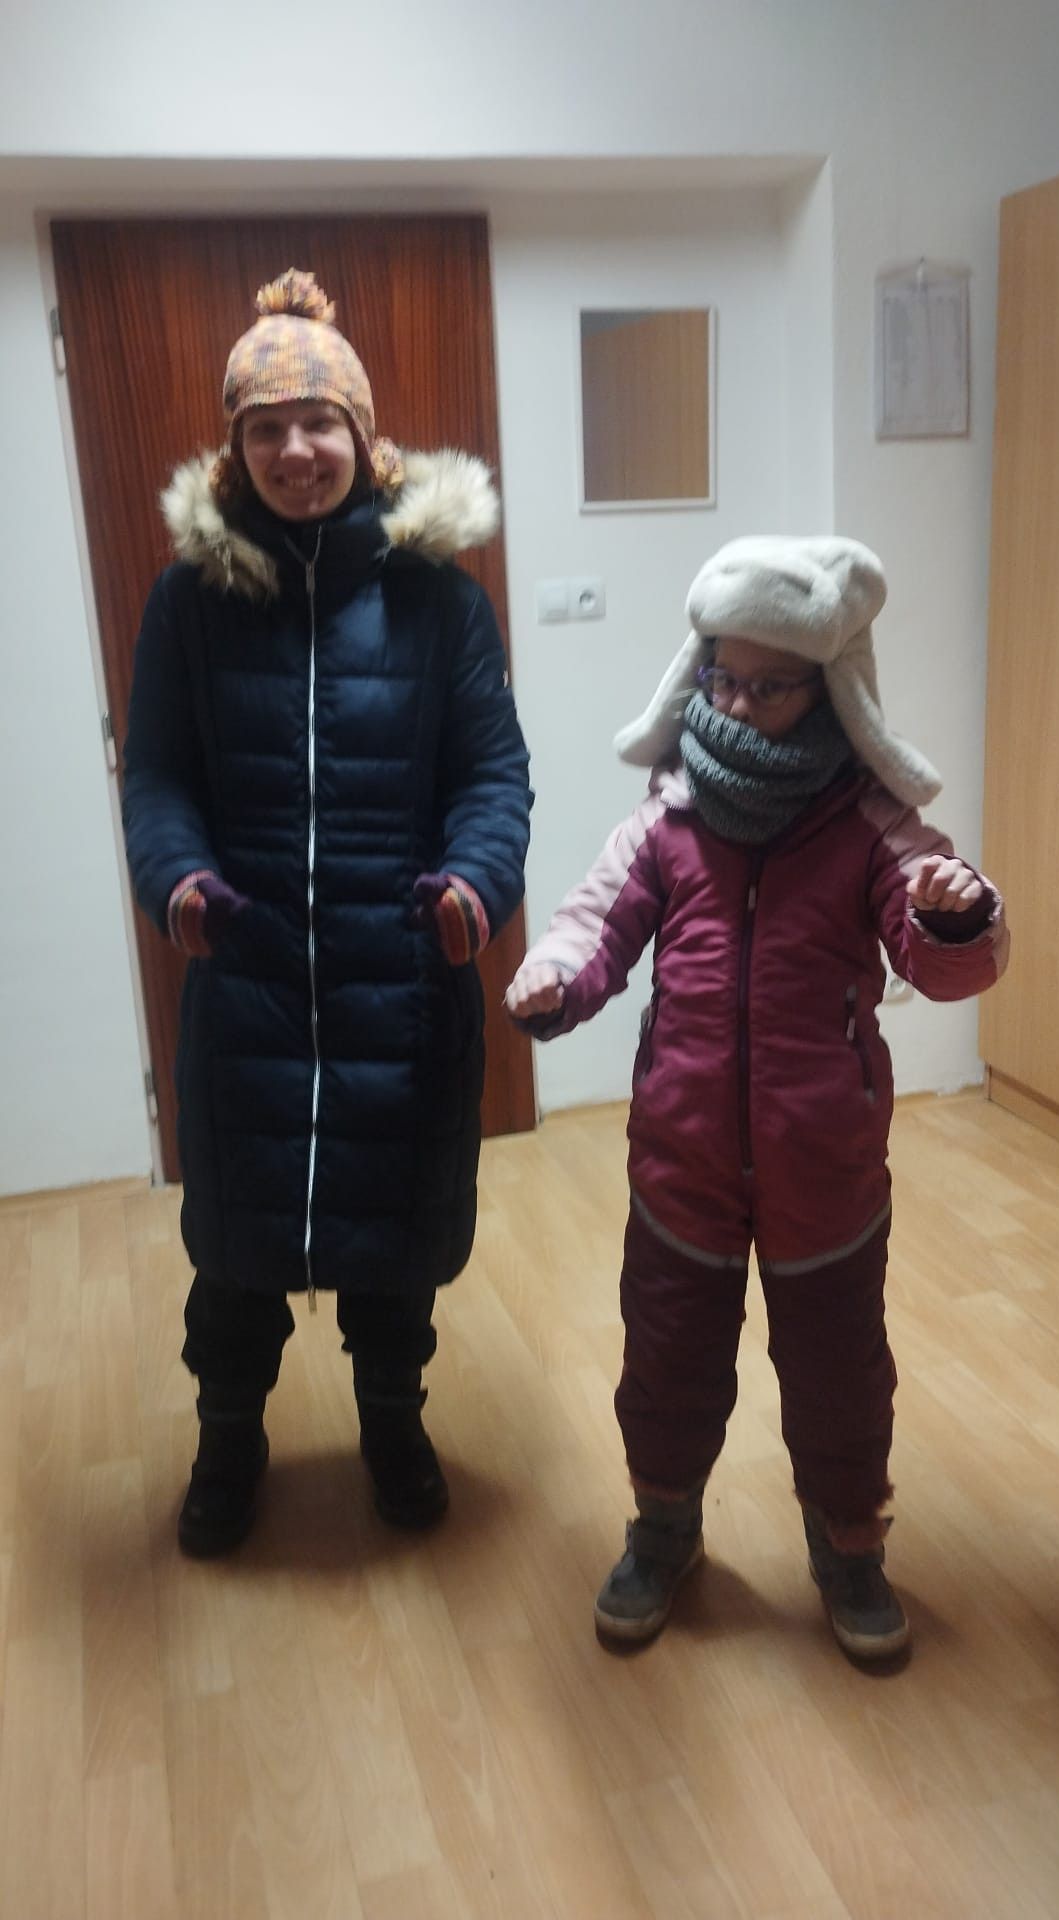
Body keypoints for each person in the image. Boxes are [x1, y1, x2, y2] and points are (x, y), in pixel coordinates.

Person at [505, 535, 1008, 1658]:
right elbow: (594, 922)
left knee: (838, 1372)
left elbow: (944, 963)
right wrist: (557, 978)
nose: (736, 703)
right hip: (680, 1158)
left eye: (768, 687)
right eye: (721, 678)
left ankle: (850, 1545)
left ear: (828, 690)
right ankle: (663, 1527)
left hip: (825, 1166)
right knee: (667, 1353)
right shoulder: (668, 816)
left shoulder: (871, 824)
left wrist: (956, 913)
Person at [123, 269, 531, 1556]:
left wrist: (475, 884)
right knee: (233, 1258)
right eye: (267, 427)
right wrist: (177, 878)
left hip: (396, 975)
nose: (296, 450)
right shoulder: (188, 604)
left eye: (318, 423)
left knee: (391, 1249)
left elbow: (491, 775)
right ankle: (228, 1439)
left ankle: (393, 1424)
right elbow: (157, 775)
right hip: (244, 974)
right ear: (237, 449)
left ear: (362, 435)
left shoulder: (441, 601)